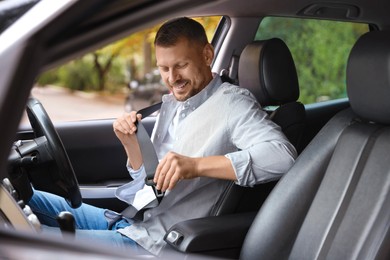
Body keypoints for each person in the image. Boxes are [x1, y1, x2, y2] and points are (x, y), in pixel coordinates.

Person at [29, 17, 297, 256]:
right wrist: (131, 144)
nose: (172, 78)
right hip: (134, 225)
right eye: (164, 68)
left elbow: (283, 157)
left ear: (207, 54)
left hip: (159, 244)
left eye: (181, 65)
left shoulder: (234, 104)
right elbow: (150, 190)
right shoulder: (175, 104)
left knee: (26, 240)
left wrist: (195, 165)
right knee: (24, 198)